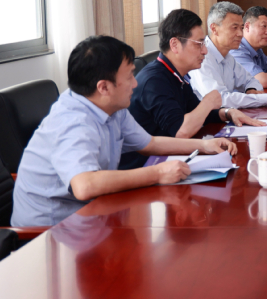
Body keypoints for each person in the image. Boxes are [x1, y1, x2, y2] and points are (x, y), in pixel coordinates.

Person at [12, 36, 237, 227]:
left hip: (91, 215)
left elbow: (149, 143)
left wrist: (204, 145)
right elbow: (84, 185)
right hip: (50, 233)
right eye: (129, 76)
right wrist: (158, 173)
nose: (135, 84)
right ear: (104, 87)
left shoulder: (111, 106)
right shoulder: (72, 120)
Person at [129, 8, 263, 138]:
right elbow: (181, 131)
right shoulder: (154, 81)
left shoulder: (178, 75)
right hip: (153, 154)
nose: (205, 51)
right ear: (174, 45)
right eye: (199, 44)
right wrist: (208, 102)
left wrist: (228, 113)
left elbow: (198, 114)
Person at [189, 1, 267, 109]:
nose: (240, 34)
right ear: (214, 29)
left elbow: (252, 81)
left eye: (241, 28)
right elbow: (220, 100)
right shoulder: (202, 58)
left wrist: (251, 90)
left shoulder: (228, 57)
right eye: (234, 28)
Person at [232, 6, 267, 88]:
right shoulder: (237, 49)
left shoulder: (257, 49)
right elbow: (262, 81)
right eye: (264, 26)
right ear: (247, 26)